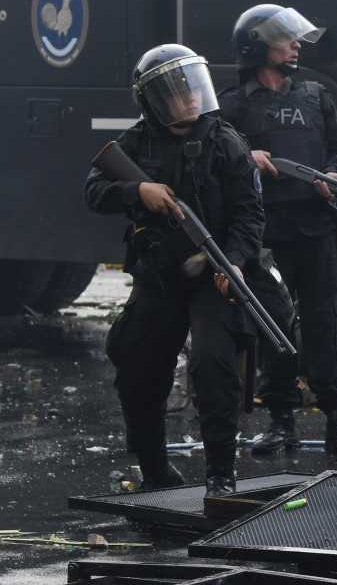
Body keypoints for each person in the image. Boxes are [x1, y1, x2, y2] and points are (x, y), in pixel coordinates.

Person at [85, 44, 264, 496]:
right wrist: (138, 190)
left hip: (214, 275)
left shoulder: (225, 142)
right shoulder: (137, 142)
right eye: (177, 91)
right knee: (137, 364)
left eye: (192, 87)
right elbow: (94, 191)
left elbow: (249, 214)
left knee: (213, 363)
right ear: (153, 101)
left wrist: (237, 263)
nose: (189, 98)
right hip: (159, 274)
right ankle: (155, 471)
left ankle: (221, 475)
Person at [218, 4, 337, 456]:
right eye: (284, 38)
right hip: (261, 234)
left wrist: (335, 176)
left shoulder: (316, 96)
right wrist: (249, 157)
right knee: (276, 326)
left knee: (325, 322)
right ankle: (281, 422)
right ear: (257, 46)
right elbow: (212, 164)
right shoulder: (232, 106)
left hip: (313, 225)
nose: (296, 45)